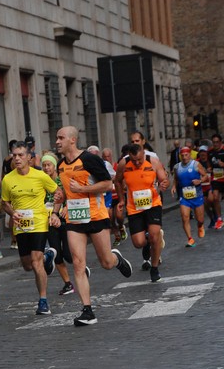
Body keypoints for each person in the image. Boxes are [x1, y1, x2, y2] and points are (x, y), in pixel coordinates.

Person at [56, 126, 132, 326]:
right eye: (57, 138)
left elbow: (108, 184)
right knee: (78, 264)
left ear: (72, 140)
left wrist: (83, 188)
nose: (57, 141)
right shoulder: (61, 165)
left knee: (105, 262)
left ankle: (117, 259)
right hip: (74, 220)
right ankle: (87, 311)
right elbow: (66, 190)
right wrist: (61, 196)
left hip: (96, 216)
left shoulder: (89, 159)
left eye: (60, 138)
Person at [1, 141, 62, 315]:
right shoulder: (8, 179)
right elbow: (4, 203)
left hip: (39, 222)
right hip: (21, 226)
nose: (17, 158)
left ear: (29, 157)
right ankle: (48, 255)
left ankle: (43, 301)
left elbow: (58, 193)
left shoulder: (40, 176)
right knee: (28, 265)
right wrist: (13, 213)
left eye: (21, 155)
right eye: (14, 155)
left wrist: (55, 213)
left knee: (36, 262)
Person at [115, 143, 169, 283]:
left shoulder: (153, 161)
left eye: (139, 159)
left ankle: (155, 268)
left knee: (154, 235)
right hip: (134, 208)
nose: (137, 163)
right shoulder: (124, 163)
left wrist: (164, 184)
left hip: (153, 204)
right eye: (134, 161)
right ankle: (147, 242)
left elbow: (164, 179)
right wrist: (121, 199)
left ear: (143, 154)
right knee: (138, 243)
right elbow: (117, 181)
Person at [41, 152, 74, 295]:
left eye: (48, 165)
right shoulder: (41, 181)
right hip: (49, 221)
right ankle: (68, 284)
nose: (46, 168)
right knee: (57, 254)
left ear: (54, 166)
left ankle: (82, 268)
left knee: (68, 254)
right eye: (44, 165)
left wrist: (66, 207)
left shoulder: (61, 179)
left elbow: (71, 194)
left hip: (64, 219)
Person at [172, 146, 208, 247]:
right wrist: (174, 186)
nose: (184, 157)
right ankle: (190, 238)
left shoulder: (196, 164)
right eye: (182, 155)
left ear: (190, 155)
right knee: (185, 217)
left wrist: (199, 181)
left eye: (186, 155)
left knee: (200, 219)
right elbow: (176, 178)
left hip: (197, 195)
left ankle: (200, 226)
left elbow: (205, 176)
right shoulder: (177, 167)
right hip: (184, 197)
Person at [197, 145, 215, 227]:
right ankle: (212, 219)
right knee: (205, 204)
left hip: (210, 185)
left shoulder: (210, 161)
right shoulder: (196, 163)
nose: (202, 154)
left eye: (204, 152)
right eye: (201, 153)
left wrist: (211, 171)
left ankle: (216, 213)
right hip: (201, 186)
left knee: (211, 200)